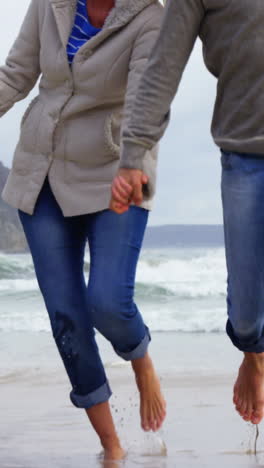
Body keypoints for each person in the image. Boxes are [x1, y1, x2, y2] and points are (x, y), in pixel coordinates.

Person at [0, 0, 167, 461]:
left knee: (108, 302)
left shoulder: (151, 17)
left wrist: (132, 165)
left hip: (116, 172)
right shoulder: (49, 5)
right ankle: (111, 444)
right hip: (43, 174)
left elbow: (145, 103)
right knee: (68, 319)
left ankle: (140, 357)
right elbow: (16, 74)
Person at [110, 0, 264, 426]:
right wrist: (133, 154)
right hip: (246, 151)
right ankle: (254, 353)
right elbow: (163, 67)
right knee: (248, 316)